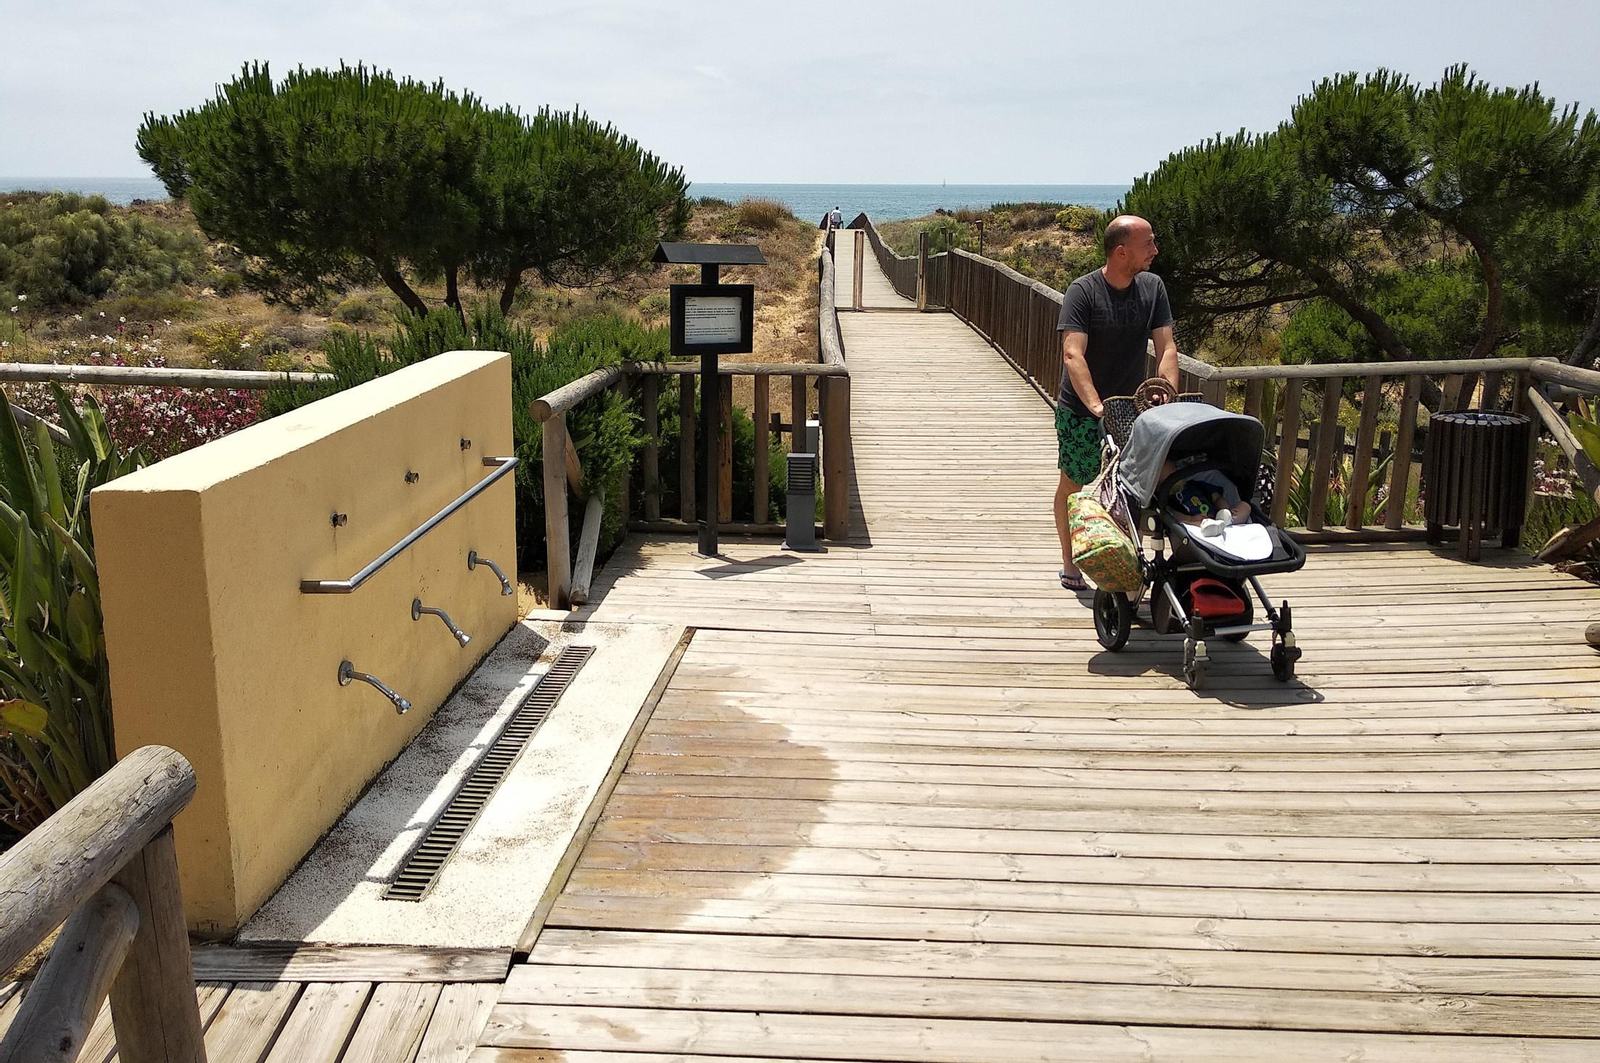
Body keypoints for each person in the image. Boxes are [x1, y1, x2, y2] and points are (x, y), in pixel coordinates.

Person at [1054, 215, 1180, 591]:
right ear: (1121, 251)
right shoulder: (1083, 291)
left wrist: (1166, 394)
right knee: (1074, 482)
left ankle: (1126, 560)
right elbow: (1073, 354)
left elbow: (1167, 347)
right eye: (1148, 244)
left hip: (1131, 410)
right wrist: (1095, 405)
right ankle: (1070, 561)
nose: (1155, 250)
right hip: (1081, 409)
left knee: (1136, 486)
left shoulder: (1153, 287)